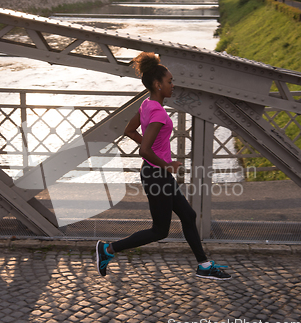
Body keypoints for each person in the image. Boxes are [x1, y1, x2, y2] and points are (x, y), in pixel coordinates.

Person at [95, 52, 231, 281]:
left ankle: (204, 265)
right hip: (156, 174)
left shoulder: (147, 104)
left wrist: (159, 160)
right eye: (169, 81)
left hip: (155, 173)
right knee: (160, 230)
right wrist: (166, 164)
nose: (173, 85)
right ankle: (107, 250)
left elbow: (130, 132)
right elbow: (144, 150)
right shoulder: (157, 111)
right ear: (158, 84)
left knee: (188, 215)